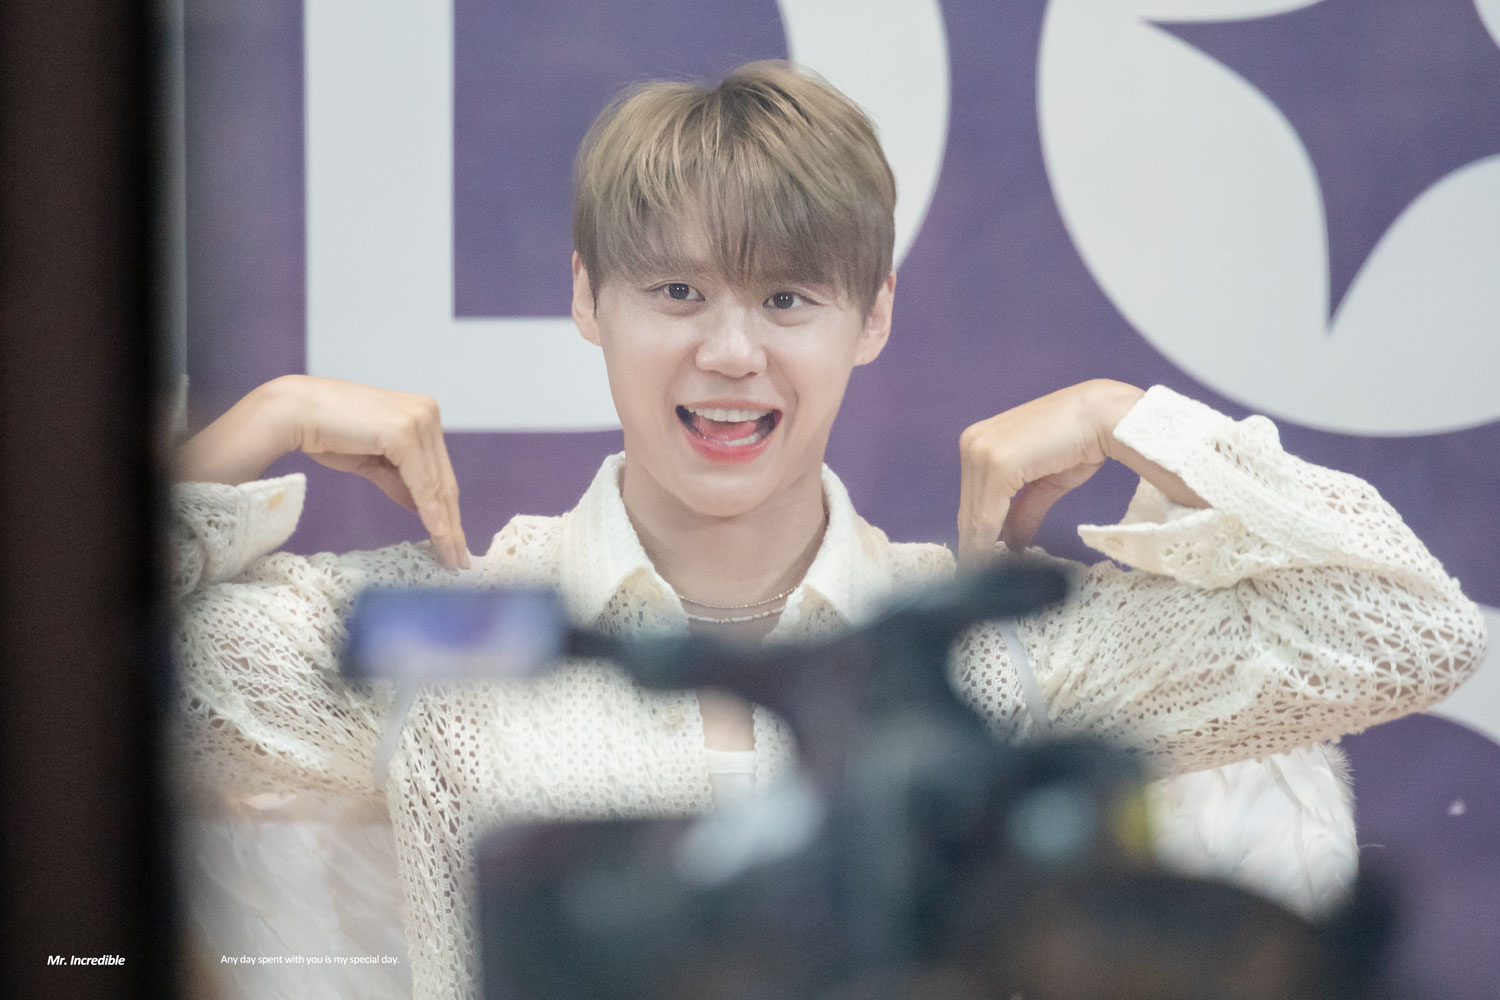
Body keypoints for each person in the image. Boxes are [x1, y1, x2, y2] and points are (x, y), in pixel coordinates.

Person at [171, 61, 1486, 1000]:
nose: (730, 352)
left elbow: (1410, 632)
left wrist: (1133, 419)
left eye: (788, 297)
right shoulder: (459, 630)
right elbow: (84, 686)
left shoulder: (984, 646)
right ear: (587, 298)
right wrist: (246, 433)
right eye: (674, 290)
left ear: (875, 314)